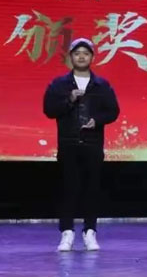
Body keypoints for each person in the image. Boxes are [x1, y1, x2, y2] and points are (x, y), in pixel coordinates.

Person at [44, 38, 119, 252]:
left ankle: (90, 232)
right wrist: (69, 99)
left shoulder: (102, 85)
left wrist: (98, 120)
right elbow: (49, 109)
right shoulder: (60, 84)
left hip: (92, 143)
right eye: (77, 53)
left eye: (86, 53)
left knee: (92, 189)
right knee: (68, 189)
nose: (81, 57)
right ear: (71, 57)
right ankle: (67, 233)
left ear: (92, 57)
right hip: (68, 143)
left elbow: (113, 111)